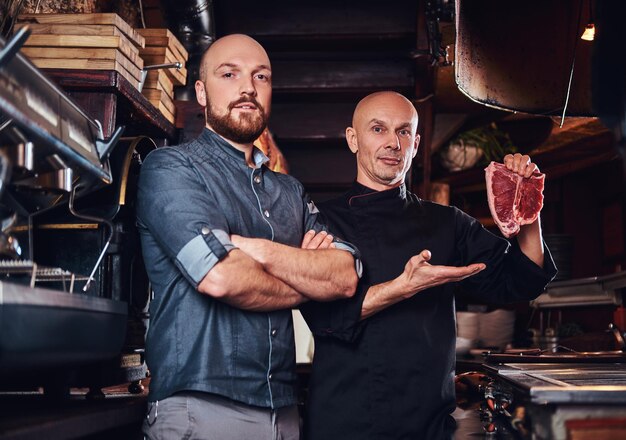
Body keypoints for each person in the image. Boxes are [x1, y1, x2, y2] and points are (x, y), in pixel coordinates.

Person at [136, 34, 360, 440]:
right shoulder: (170, 169)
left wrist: (253, 249)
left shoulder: (290, 191)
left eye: (261, 76)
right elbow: (221, 277)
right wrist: (306, 280)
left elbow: (343, 276)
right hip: (201, 406)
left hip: (283, 409)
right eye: (229, 74)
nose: (248, 88)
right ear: (202, 93)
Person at [300, 91, 557, 439]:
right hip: (345, 420)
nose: (393, 142)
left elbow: (525, 279)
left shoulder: (447, 223)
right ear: (352, 139)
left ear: (416, 143)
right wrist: (403, 287)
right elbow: (323, 318)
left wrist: (525, 203)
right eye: (378, 129)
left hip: (428, 425)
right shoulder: (321, 222)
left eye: (404, 132)